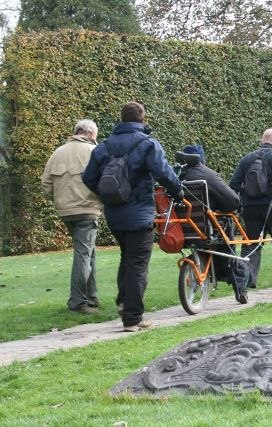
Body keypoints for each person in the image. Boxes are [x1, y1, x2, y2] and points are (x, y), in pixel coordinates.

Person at [82, 102, 183, 332]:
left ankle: (123, 302)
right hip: (139, 213)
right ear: (142, 119)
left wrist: (109, 195)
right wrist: (178, 191)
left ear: (122, 118)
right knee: (138, 264)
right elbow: (164, 173)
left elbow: (88, 177)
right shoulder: (147, 144)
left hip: (115, 214)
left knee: (127, 257)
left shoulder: (104, 146)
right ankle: (132, 318)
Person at [41, 119, 103, 314]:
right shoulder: (94, 152)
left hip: (65, 211)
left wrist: (60, 200)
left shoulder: (58, 152)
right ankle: (77, 303)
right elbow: (107, 180)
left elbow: (45, 185)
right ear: (92, 134)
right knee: (83, 254)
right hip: (87, 209)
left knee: (87, 252)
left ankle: (91, 297)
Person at [229, 128, 272, 300]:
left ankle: (242, 289)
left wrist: (238, 205)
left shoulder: (246, 159)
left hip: (250, 208)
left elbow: (234, 184)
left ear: (261, 140)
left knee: (250, 246)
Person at [179, 144, 247, 304]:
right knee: (228, 244)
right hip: (208, 229)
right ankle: (240, 287)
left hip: (182, 229)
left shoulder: (176, 176)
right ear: (201, 160)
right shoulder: (208, 175)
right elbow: (233, 201)